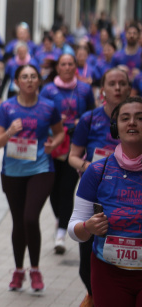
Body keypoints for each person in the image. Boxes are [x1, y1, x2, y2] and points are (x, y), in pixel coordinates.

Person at [68, 96, 142, 307]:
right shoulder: (97, 171)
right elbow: (75, 226)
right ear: (116, 126)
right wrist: (88, 227)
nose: (133, 122)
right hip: (109, 276)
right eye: (125, 117)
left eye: (139, 117)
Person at [68, 68, 132, 307]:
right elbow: (73, 155)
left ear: (129, 89)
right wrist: (90, 167)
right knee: (87, 263)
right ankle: (94, 294)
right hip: (95, 194)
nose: (117, 88)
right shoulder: (89, 119)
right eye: (111, 84)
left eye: (122, 84)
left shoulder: (135, 118)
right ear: (102, 89)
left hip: (128, 197)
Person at [0, 64, 65, 291]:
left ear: (39, 81)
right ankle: (18, 271)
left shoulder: (48, 106)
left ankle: (34, 269)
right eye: (25, 77)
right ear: (17, 82)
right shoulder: (6, 108)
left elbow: (60, 131)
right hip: (12, 172)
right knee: (18, 221)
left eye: (34, 76)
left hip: (41, 169)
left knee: (31, 218)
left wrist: (54, 142)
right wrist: (9, 133)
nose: (30, 80)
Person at [40, 53, 95, 254]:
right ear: (58, 68)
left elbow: (92, 114)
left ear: (76, 67)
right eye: (63, 64)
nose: (67, 67)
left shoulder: (84, 89)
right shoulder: (48, 90)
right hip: (53, 144)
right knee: (53, 190)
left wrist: (82, 122)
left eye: (71, 64)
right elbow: (41, 114)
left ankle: (62, 232)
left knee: (67, 187)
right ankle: (60, 219)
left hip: (75, 145)